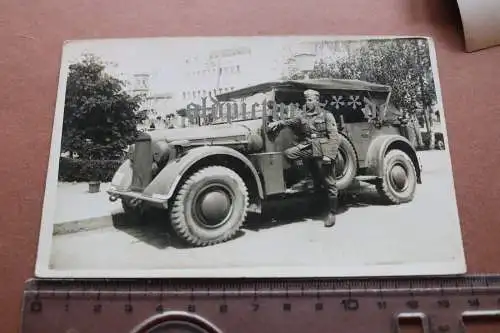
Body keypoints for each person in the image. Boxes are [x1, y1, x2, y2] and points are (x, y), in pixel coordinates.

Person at [268, 89, 341, 227]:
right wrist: (277, 123)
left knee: (329, 182)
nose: (308, 103)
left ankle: (332, 212)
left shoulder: (327, 115)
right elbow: (290, 121)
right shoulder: (303, 116)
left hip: (322, 150)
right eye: (306, 100)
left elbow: (334, 137)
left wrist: (328, 156)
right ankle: (305, 175)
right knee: (289, 153)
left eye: (310, 100)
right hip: (308, 147)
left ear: (317, 101)